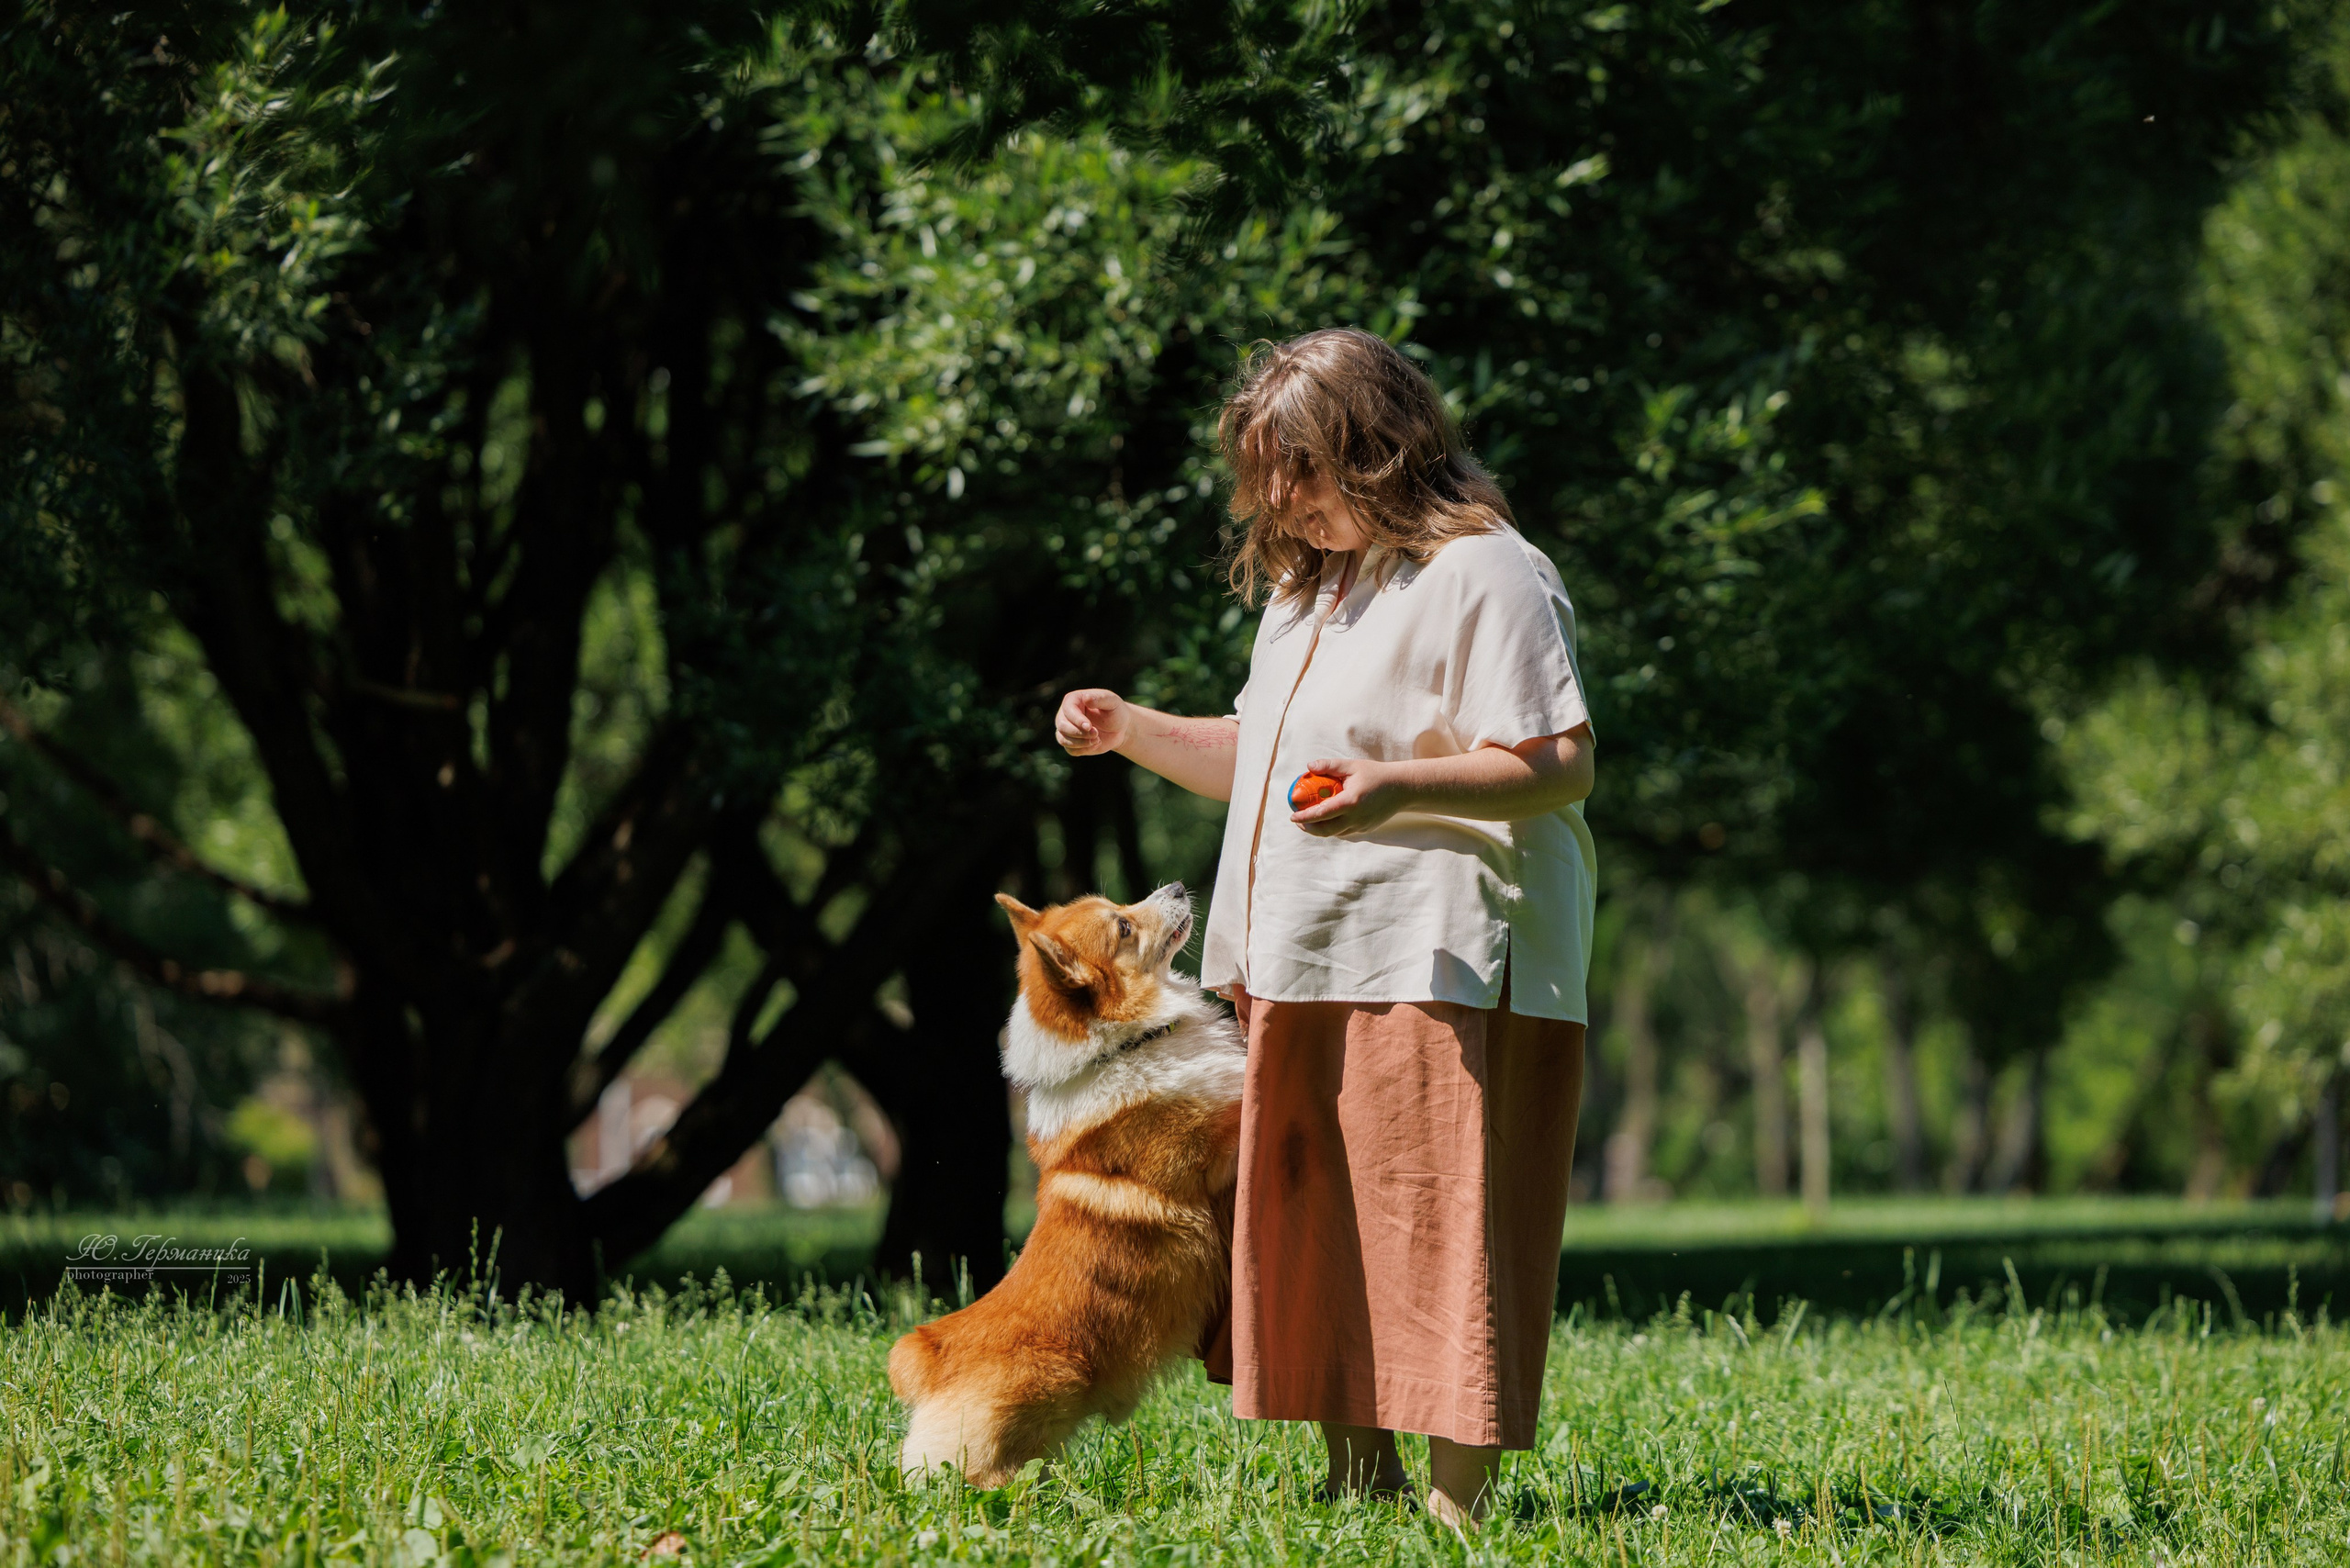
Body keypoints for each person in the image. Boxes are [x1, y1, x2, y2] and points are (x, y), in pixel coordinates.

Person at [1053, 327, 1596, 1528]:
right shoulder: (1313, 593)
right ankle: (1360, 1482)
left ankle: (1456, 1513)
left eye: (1301, 470)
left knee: (1448, 1233)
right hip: (1301, 957)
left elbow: (1559, 762)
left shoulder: (1487, 572)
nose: (1281, 501)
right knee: (1330, 1228)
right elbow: (1267, 759)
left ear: (1379, 449)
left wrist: (1406, 790)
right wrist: (1131, 726)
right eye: (1269, 475)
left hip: (1445, 958)